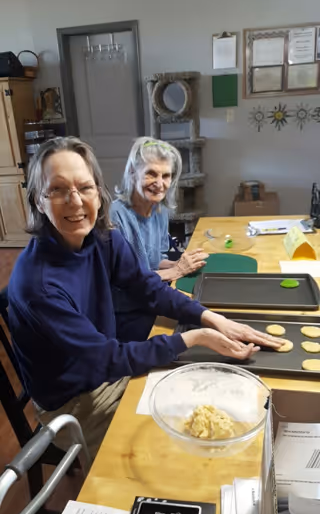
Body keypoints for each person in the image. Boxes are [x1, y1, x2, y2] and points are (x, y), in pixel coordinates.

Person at [8, 137, 282, 459]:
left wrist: (212, 318)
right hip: (75, 401)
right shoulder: (38, 287)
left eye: (85, 187)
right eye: (57, 189)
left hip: (107, 369)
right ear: (38, 201)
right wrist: (195, 337)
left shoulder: (102, 239)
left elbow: (147, 287)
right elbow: (107, 358)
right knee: (177, 447)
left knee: (208, 398)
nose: (75, 201)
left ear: (99, 191)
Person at [110, 137, 209, 340]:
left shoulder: (160, 211)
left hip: (151, 297)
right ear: (132, 173)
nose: (159, 183)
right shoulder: (116, 216)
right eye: (151, 174)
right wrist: (176, 270)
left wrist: (177, 263)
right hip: (126, 312)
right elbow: (128, 281)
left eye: (166, 176)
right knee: (186, 333)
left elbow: (154, 261)